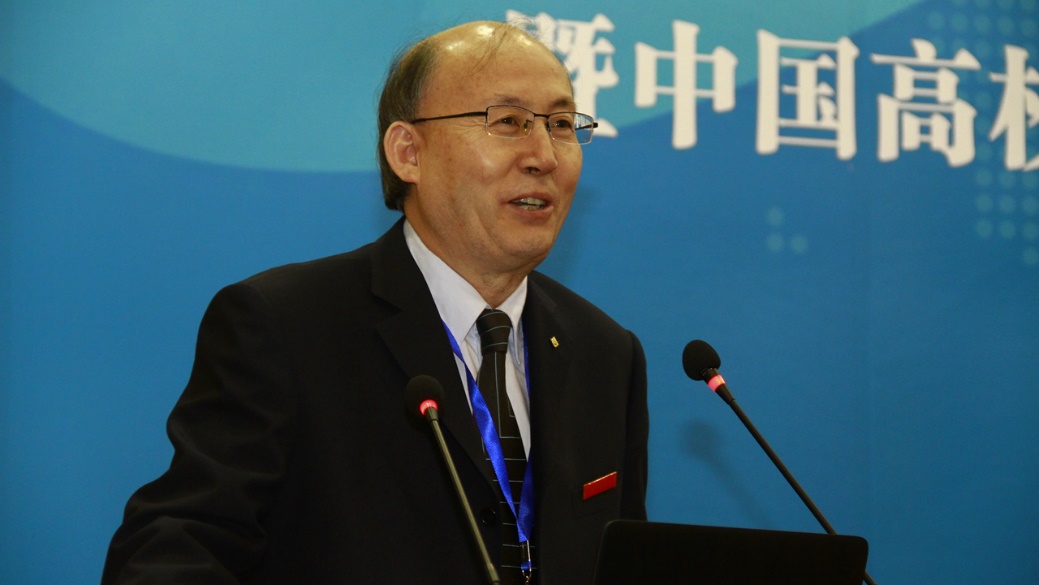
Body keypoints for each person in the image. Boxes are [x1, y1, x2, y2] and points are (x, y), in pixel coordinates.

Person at [101, 20, 648, 585]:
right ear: (408, 152)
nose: (544, 156)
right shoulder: (287, 326)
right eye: (507, 122)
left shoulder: (607, 353)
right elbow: (177, 547)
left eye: (561, 124)